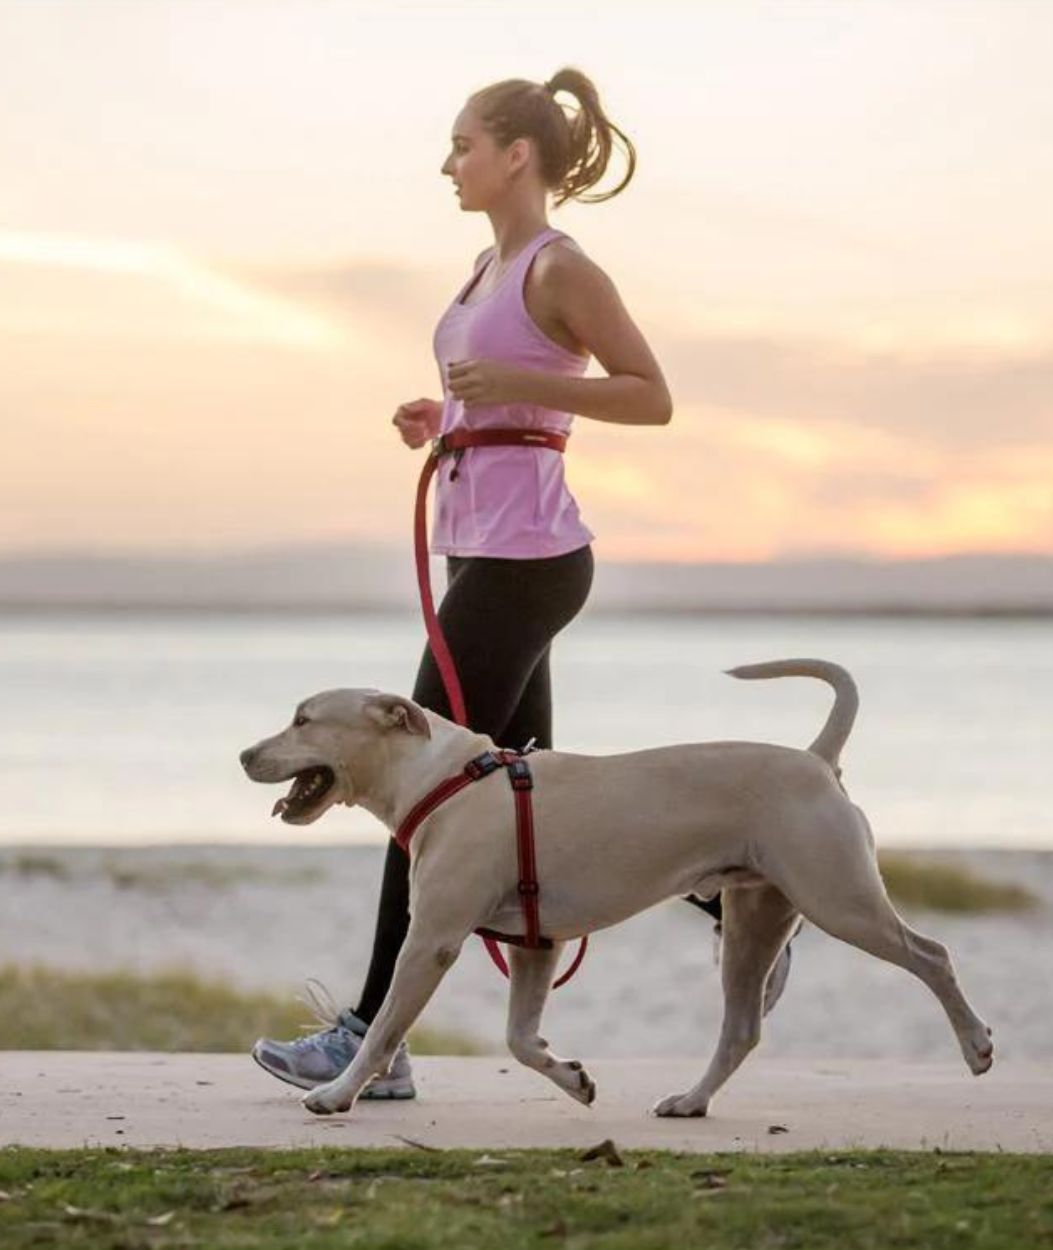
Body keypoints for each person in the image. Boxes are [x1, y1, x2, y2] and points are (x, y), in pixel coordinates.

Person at [252, 68, 792, 1100]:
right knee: (528, 806)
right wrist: (443, 418)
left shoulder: (559, 267)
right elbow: (499, 405)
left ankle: (370, 1036)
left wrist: (519, 386)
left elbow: (651, 397)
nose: (447, 161)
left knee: (418, 794)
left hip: (527, 562)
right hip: (481, 550)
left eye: (461, 143)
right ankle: (736, 896)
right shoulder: (480, 270)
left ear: (515, 155)